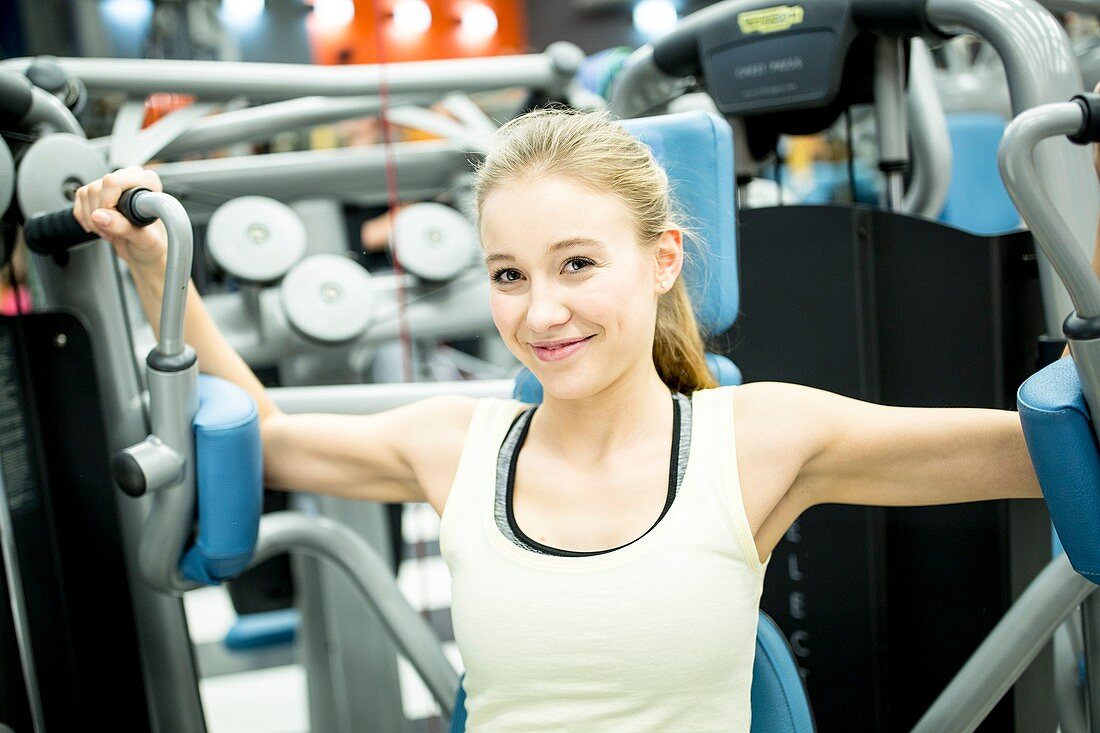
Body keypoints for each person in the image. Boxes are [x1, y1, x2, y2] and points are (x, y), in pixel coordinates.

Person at [72, 107, 1096, 733]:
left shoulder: (757, 439)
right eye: (508, 275)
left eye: (575, 264)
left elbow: (1044, 453)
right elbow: (265, 432)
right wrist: (154, 265)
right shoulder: (451, 445)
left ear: (659, 262)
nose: (539, 312)